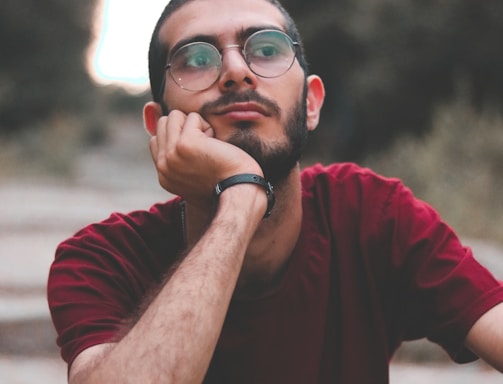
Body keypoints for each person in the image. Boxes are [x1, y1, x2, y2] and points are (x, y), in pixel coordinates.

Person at [47, 0, 503, 382]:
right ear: (159, 125)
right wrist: (240, 198)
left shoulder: (373, 214)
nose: (236, 71)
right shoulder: (100, 259)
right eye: (197, 59)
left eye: (266, 50)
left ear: (311, 104)